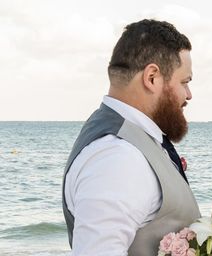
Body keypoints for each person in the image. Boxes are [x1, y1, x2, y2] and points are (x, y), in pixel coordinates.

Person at [62, 19, 201, 255]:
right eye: (184, 82)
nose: (188, 94)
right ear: (152, 78)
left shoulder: (131, 142)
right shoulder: (118, 156)